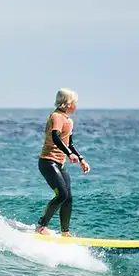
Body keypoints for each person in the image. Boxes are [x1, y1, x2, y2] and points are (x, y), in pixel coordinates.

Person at [36, 88, 90, 237]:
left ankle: (65, 232)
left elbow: (70, 143)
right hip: (48, 162)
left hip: (59, 163)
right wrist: (69, 154)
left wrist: (81, 159)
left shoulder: (68, 120)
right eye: (75, 102)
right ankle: (41, 226)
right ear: (67, 103)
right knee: (61, 194)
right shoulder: (56, 117)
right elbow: (55, 137)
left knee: (68, 197)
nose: (76, 105)